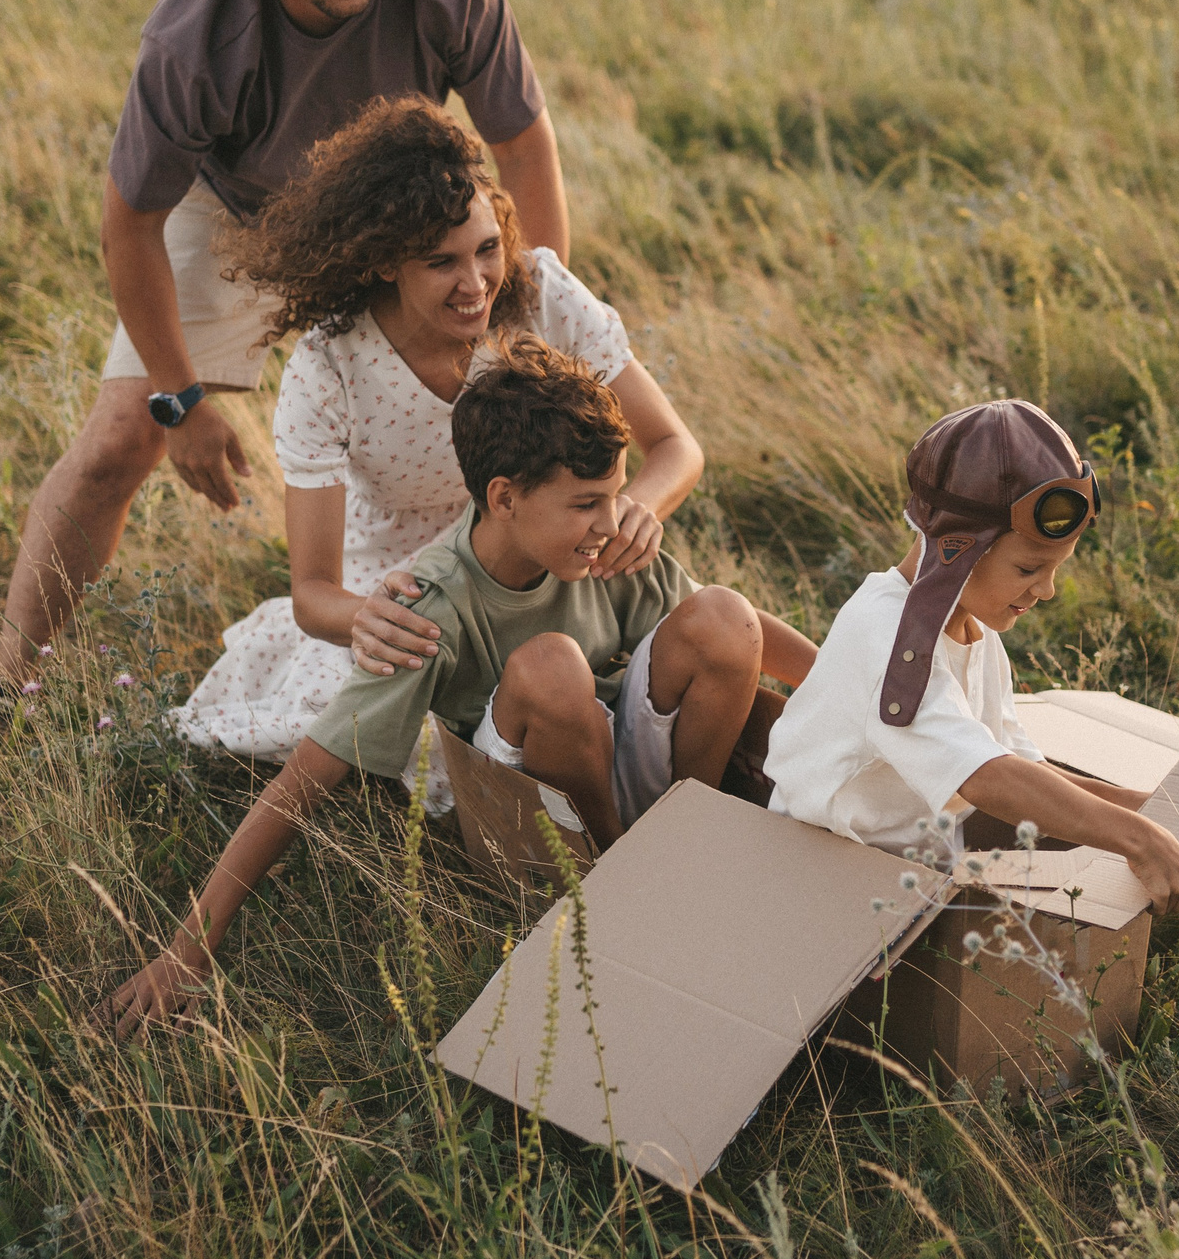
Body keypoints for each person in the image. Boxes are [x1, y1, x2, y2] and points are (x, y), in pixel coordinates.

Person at [0, 0, 572, 726]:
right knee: (121, 440)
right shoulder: (195, 40)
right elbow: (130, 224)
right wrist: (181, 398)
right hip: (241, 212)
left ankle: (495, 675)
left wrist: (529, 322)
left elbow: (523, 143)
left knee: (506, 429)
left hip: (404, 217)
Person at [101, 342, 816, 1033]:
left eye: (617, 496)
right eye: (586, 503)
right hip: (537, 807)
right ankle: (622, 884)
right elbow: (304, 777)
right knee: (551, 666)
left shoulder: (608, 543)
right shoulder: (432, 605)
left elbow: (739, 633)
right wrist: (185, 949)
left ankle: (696, 833)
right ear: (504, 498)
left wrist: (844, 681)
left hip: (623, 751)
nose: (613, 521)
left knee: (724, 611)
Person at [170, 99, 703, 773]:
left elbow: (676, 447)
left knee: (659, 664)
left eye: (486, 250)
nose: (476, 283)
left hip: (542, 560)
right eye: (440, 262)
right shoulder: (331, 363)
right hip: (409, 599)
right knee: (369, 735)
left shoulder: (540, 295)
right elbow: (313, 592)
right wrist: (366, 618)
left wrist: (636, 511)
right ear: (388, 261)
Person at [764, 400, 1179, 915]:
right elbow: (986, 777)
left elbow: (1023, 768)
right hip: (817, 878)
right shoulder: (889, 636)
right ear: (958, 548)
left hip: (907, 875)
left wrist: (1156, 814)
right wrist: (1138, 839)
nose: (1047, 590)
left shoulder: (974, 632)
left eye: (1054, 569)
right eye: (1030, 568)